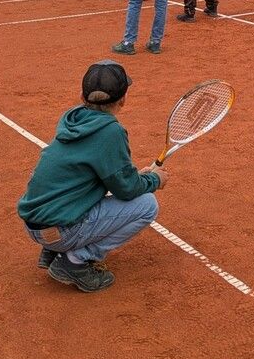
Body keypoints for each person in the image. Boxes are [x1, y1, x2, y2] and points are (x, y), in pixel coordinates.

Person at [17, 60, 166, 293]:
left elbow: (103, 175)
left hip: (36, 224)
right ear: (123, 99)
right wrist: (154, 180)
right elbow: (126, 189)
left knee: (87, 187)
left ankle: (55, 250)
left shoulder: (73, 119)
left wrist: (138, 177)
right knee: (147, 205)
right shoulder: (111, 131)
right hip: (59, 230)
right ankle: (74, 260)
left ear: (82, 96)